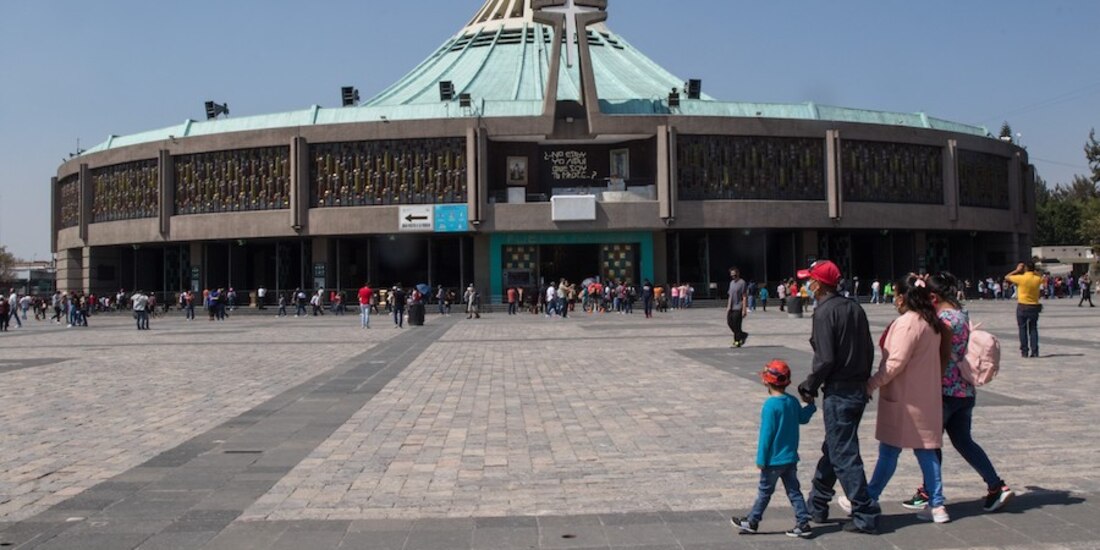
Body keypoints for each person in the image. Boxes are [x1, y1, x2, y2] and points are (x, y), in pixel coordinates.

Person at [898, 273, 1014, 513]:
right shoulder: (962, 314)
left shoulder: (943, 321)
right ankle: (996, 485)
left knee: (929, 444)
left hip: (943, 390)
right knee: (964, 441)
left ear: (933, 296)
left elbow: (937, 354)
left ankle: (929, 491)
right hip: (964, 390)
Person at [851, 274, 949, 524]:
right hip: (925, 396)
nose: (894, 300)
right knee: (926, 451)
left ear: (904, 297)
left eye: (896, 295)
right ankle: (937, 504)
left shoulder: (908, 323)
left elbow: (895, 363)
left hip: (905, 398)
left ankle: (871, 496)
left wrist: (871, 384)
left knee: (889, 450)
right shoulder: (931, 322)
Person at [795, 259, 879, 534]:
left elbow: (825, 358)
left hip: (839, 391)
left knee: (843, 454)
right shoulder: (855, 308)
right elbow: (868, 349)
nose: (807, 284)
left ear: (818, 284)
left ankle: (865, 512)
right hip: (856, 388)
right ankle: (817, 504)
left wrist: (809, 385)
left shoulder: (823, 313)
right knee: (834, 448)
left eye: (809, 280)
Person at [731, 360, 817, 539]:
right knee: (794, 491)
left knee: (764, 492)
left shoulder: (770, 406)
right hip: (790, 458)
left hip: (773, 460)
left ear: (766, 381)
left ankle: (753, 521)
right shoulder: (792, 401)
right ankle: (803, 523)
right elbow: (803, 419)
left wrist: (761, 459)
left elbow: (766, 435)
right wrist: (811, 406)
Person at [1006, 261, 1043, 358]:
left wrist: (1017, 270)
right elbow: (1043, 277)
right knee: (1033, 329)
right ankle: (1035, 351)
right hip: (1034, 306)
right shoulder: (1037, 278)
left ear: (1025, 269)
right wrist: (1034, 272)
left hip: (1022, 306)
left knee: (1022, 329)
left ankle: (1024, 351)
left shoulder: (1021, 278)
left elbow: (1007, 277)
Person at [726, 267, 749, 348]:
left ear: (738, 274)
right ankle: (743, 335)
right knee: (729, 323)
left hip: (738, 307)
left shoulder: (742, 283)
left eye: (735, 275)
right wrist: (728, 307)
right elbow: (730, 296)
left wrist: (744, 309)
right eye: (732, 275)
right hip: (731, 307)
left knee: (737, 325)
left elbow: (744, 296)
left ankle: (737, 341)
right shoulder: (731, 283)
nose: (733, 277)